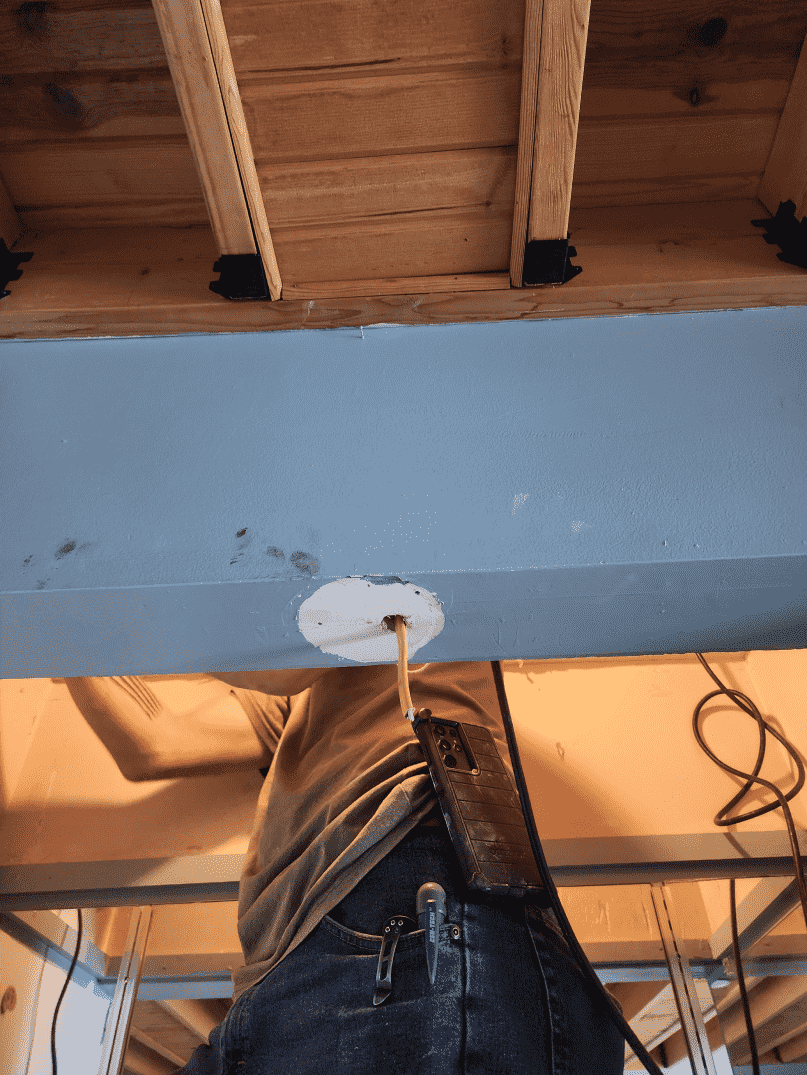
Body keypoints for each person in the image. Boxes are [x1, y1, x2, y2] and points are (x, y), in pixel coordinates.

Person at [67, 663, 626, 1074]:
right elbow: (154, 743)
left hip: (390, 889)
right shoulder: (301, 704)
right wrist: (58, 633)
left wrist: (91, 589)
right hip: (300, 959)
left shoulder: (412, 621)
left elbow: (269, 643)